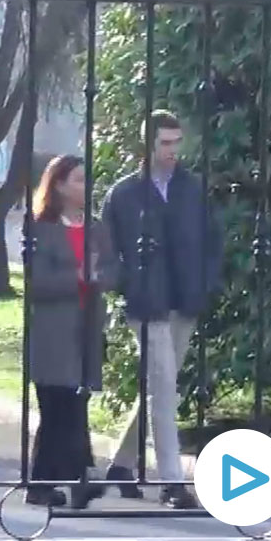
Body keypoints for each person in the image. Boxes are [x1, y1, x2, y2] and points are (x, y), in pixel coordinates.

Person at [101, 110, 223, 509]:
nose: (173, 151)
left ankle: (121, 466)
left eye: (176, 142)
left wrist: (204, 286)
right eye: (165, 143)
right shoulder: (123, 193)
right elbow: (108, 251)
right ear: (148, 145)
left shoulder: (193, 188)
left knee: (158, 386)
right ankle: (172, 481)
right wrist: (128, 283)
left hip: (184, 302)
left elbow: (213, 241)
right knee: (164, 387)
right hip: (147, 305)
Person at [25, 155, 117, 509]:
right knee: (57, 406)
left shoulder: (95, 228)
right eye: (78, 180)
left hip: (86, 328)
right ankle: (49, 482)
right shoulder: (41, 228)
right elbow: (37, 283)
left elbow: (112, 270)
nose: (85, 186)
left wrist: (98, 276)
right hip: (53, 330)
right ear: (60, 185)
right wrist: (77, 277)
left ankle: (75, 480)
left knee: (77, 403)